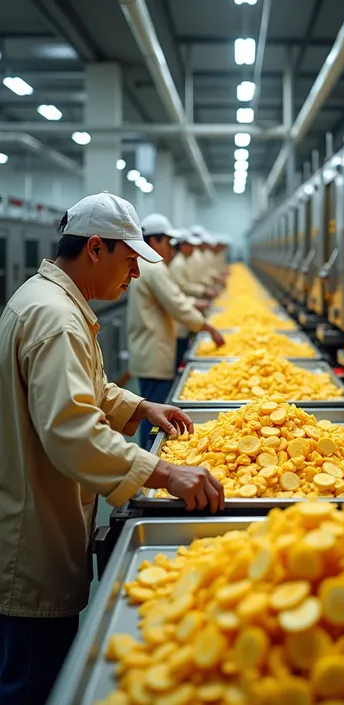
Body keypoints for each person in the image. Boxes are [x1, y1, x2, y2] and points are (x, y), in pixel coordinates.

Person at [0, 192, 224, 705]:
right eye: (129, 262)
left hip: (41, 511)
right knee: (33, 678)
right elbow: (72, 430)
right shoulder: (55, 318)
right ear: (95, 248)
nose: (137, 277)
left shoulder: (54, 303)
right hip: (31, 535)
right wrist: (166, 473)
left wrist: (141, 408)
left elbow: (90, 389)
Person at [126, 213, 225, 448]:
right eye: (167, 242)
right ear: (154, 241)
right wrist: (207, 326)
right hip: (153, 352)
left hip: (151, 348)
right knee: (153, 414)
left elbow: (176, 299)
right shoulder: (152, 267)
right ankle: (150, 460)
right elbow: (177, 304)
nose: (171, 248)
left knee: (151, 410)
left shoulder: (148, 266)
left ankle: (149, 456)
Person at [169, 229, 217, 367]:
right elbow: (182, 287)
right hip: (183, 313)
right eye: (190, 245)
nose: (193, 249)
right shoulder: (178, 264)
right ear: (182, 246)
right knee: (180, 348)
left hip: (188, 310)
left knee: (185, 343)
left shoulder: (185, 260)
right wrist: (202, 291)